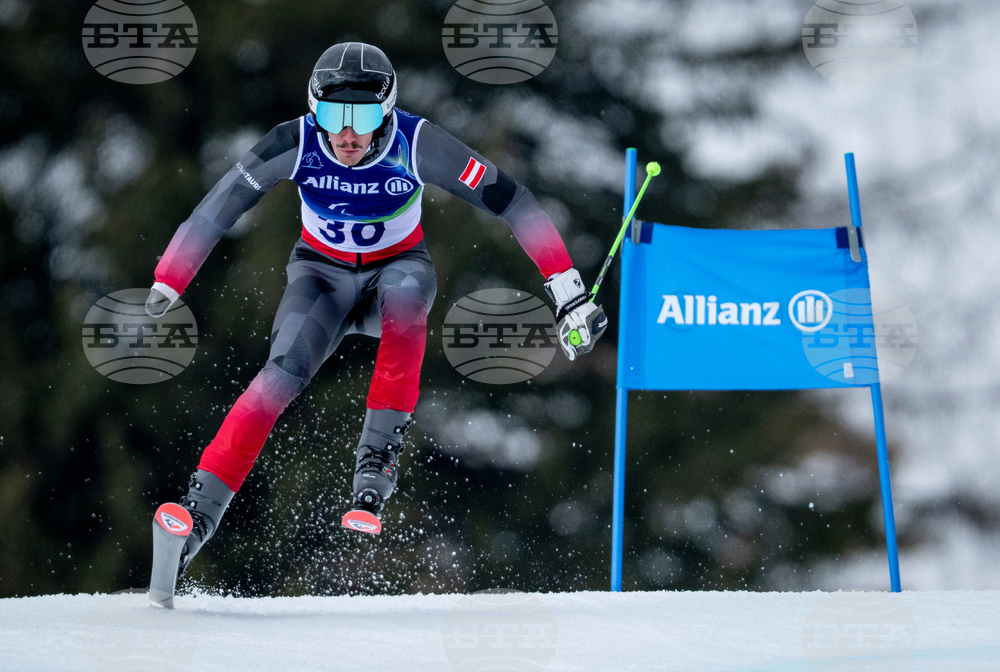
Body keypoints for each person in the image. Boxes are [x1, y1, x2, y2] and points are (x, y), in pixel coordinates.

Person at [146, 42, 606, 602]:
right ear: (313, 111)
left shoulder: (418, 143)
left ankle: (376, 466)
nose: (346, 134)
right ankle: (198, 517)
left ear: (386, 111)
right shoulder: (294, 142)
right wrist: (170, 279)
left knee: (407, 299)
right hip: (321, 281)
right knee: (280, 374)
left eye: (361, 117)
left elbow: (514, 201)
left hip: (397, 271)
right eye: (332, 116)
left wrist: (566, 288)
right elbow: (218, 207)